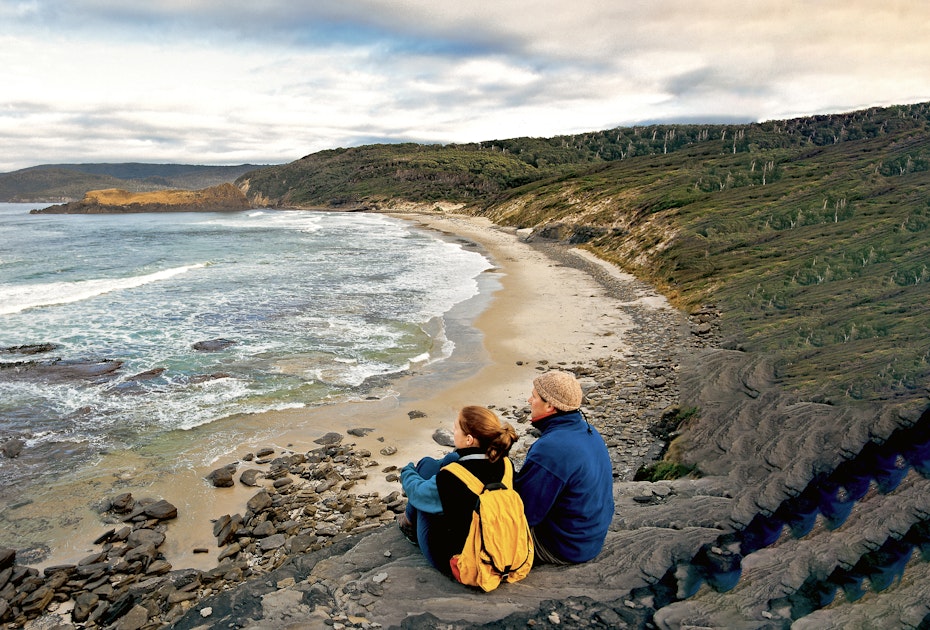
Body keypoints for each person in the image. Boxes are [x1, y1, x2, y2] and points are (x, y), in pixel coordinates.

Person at [399, 405, 519, 577]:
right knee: (449, 459)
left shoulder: (451, 479)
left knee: (425, 469)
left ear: (469, 439)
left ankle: (409, 524)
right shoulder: (506, 464)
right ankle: (410, 518)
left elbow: (418, 493)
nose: (453, 432)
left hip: (464, 562)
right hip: (501, 551)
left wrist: (408, 471)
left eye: (456, 429)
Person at [514, 370, 614, 564]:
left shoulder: (551, 449)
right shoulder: (588, 431)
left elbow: (524, 514)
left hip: (563, 546)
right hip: (589, 538)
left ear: (550, 406)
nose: (528, 400)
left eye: (534, 396)